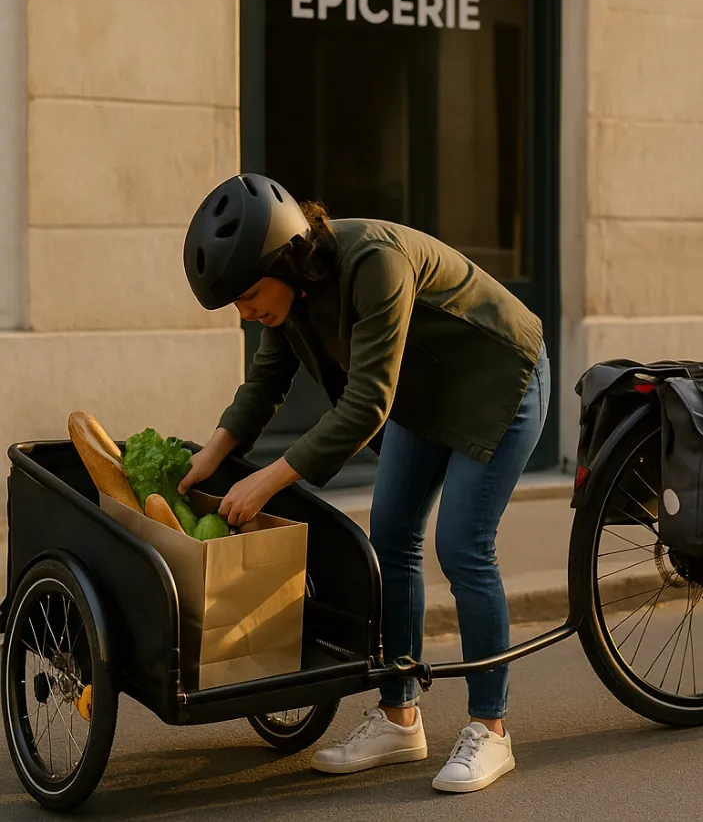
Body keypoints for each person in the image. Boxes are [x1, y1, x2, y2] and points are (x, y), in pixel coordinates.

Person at [179, 173, 548, 794]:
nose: (245, 313)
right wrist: (208, 459)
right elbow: (265, 385)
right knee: (392, 537)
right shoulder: (290, 296)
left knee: (461, 545)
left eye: (246, 296)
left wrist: (266, 481)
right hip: (423, 393)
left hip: (497, 381)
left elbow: (364, 405)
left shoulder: (374, 262)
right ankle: (398, 716)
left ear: (283, 259)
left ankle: (491, 728)